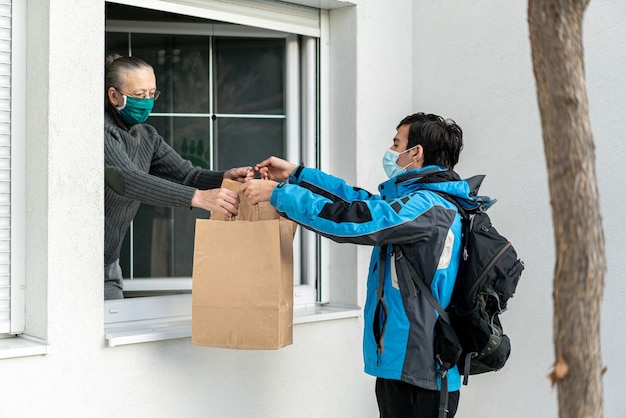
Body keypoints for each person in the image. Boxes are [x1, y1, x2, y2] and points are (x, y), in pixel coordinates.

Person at [241, 113, 493, 417]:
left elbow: (354, 220)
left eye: (396, 142)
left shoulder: (427, 207)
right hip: (411, 367)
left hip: (420, 372)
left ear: (416, 152)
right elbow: (360, 203)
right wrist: (297, 175)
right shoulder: (425, 201)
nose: (390, 148)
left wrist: (279, 195)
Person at [104, 54, 253, 300]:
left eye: (152, 94)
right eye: (140, 95)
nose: (147, 102)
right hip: (75, 264)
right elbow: (126, 180)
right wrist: (198, 198)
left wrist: (225, 177)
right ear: (114, 96)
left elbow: (186, 174)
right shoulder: (101, 131)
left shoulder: (147, 137)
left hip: (109, 263)